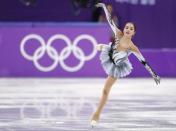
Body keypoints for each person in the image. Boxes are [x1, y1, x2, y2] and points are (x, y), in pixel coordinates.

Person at [90, 3, 160, 127]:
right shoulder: (118, 34)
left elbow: (143, 62)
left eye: (131, 29)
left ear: (134, 33)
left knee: (105, 90)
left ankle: (97, 114)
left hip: (117, 65)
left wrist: (153, 74)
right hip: (111, 52)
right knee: (104, 47)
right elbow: (109, 19)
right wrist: (103, 6)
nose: (128, 29)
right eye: (127, 27)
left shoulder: (133, 47)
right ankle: (103, 46)